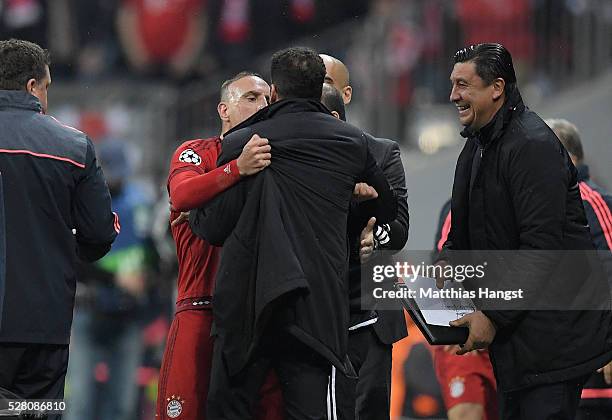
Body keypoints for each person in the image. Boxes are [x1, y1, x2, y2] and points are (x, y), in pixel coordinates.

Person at [189, 46, 397, 420]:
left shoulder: (243, 143)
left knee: (231, 410)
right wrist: (355, 200)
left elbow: (213, 227)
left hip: (247, 306)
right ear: (320, 87)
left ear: (274, 91)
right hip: (316, 310)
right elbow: (387, 210)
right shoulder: (351, 144)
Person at [436, 42, 612, 419]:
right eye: (453, 84)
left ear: (496, 88)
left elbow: (541, 248)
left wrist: (493, 315)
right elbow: (461, 237)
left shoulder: (533, 145)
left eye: (464, 85)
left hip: (554, 344)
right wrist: (443, 273)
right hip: (519, 344)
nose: (453, 95)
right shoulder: (476, 148)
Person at [0, 39, 118, 416]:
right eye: (47, 87)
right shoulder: (72, 146)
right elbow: (99, 234)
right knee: (35, 412)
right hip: (42, 327)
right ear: (33, 86)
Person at [157, 71, 283, 420]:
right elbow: (182, 194)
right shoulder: (196, 153)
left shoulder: (276, 159)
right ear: (223, 110)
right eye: (251, 98)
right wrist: (237, 170)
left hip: (255, 318)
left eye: (267, 99)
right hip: (200, 309)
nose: (262, 105)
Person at [320, 54, 410, 420]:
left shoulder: (381, 152)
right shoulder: (285, 153)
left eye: (326, 80)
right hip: (317, 314)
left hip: (372, 316)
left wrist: (372, 240)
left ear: (346, 94)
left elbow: (400, 228)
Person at [65, 140, 155, 420]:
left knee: (122, 404)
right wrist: (117, 278)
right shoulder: (85, 200)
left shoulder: (140, 203)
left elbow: (152, 256)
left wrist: (149, 278)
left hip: (128, 314)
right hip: (90, 310)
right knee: (80, 400)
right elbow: (74, 259)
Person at [546, 118, 612, 420]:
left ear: (565, 157)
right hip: (566, 370)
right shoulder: (545, 211)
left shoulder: (591, 200)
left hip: (599, 372)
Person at [432, 199, 498, 420]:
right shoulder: (461, 208)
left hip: (509, 332)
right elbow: (443, 268)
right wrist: (452, 325)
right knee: (466, 413)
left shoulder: (524, 203)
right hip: (465, 330)